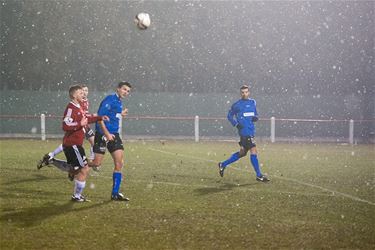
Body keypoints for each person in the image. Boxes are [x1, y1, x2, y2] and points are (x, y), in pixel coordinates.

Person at [56, 85, 110, 202]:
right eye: (81, 93)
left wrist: (100, 117)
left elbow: (87, 119)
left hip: (74, 145)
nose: (83, 95)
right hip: (73, 144)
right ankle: (76, 196)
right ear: (74, 95)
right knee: (84, 169)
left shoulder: (78, 107)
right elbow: (65, 126)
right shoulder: (71, 108)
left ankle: (53, 161)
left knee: (76, 169)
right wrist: (79, 124)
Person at [218, 85, 270, 182]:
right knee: (253, 150)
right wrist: (236, 124)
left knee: (242, 153)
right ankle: (259, 175)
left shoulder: (252, 102)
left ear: (249, 92)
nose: (244, 94)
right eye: (242, 92)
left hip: (251, 130)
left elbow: (255, 114)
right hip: (244, 131)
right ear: (240, 93)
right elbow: (229, 116)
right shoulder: (237, 105)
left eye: (246, 92)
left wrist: (256, 117)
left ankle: (223, 164)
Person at [90, 81, 132, 202]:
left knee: (119, 163)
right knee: (96, 163)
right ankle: (76, 167)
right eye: (124, 89)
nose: (126, 92)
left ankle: (115, 193)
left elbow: (112, 115)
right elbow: (99, 118)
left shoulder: (119, 101)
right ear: (118, 89)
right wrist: (106, 134)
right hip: (102, 134)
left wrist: (120, 113)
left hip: (114, 135)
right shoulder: (110, 99)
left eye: (128, 91)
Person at [37, 84, 96, 169]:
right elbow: (69, 122)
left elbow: (84, 114)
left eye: (86, 91)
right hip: (81, 126)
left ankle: (51, 156)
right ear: (76, 94)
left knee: (88, 143)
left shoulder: (86, 101)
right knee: (72, 145)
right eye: (82, 91)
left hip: (84, 125)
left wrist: (94, 117)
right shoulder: (76, 104)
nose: (85, 93)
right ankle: (91, 162)